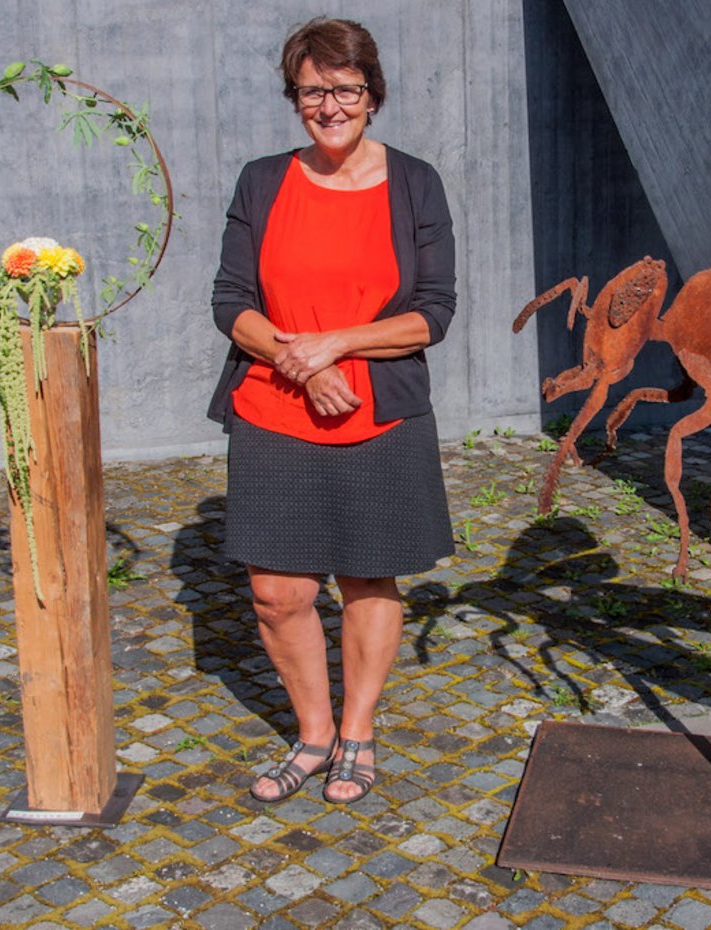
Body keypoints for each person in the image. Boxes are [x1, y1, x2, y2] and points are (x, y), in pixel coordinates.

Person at [207, 17, 456, 805]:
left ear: (372, 96)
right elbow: (231, 303)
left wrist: (333, 346)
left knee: (366, 576)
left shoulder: (415, 182)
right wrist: (300, 363)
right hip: (274, 410)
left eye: (345, 89)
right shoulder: (261, 180)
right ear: (295, 99)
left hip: (378, 411)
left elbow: (433, 316)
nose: (329, 105)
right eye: (312, 91)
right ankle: (313, 734)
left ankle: (358, 732)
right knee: (277, 591)